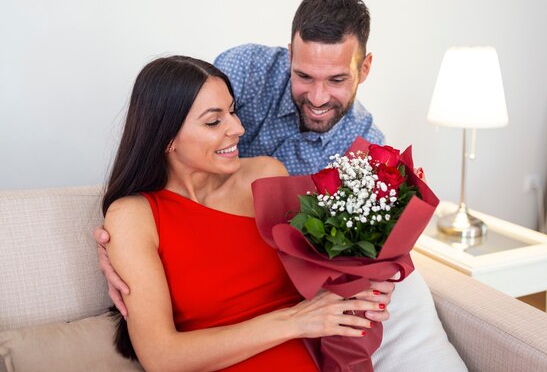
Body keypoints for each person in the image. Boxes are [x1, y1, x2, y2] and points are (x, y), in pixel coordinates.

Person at [96, 0, 467, 372]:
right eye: (304, 76)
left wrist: (367, 280)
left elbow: (337, 269)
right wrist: (120, 249)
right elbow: (185, 97)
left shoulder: (348, 154)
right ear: (289, 55)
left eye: (337, 79)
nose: (318, 96)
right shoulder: (243, 73)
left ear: (365, 69)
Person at [103, 55, 393, 371]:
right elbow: (162, 358)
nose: (238, 128)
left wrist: (362, 284)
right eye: (214, 121)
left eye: (233, 111)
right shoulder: (133, 217)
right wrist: (295, 322)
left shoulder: (265, 176)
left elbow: (320, 270)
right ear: (167, 138)